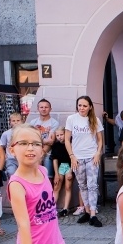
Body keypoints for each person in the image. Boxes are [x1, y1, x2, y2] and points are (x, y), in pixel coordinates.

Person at [65, 95, 104, 227]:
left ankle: (93, 214)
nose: (82, 108)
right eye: (80, 105)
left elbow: (100, 140)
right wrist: (72, 156)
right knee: (82, 185)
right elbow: (66, 140)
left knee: (92, 185)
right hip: (77, 157)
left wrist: (98, 153)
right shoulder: (71, 119)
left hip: (92, 156)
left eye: (84, 106)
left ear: (90, 107)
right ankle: (86, 212)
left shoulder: (95, 120)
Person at [27, 99, 59, 173]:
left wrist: (42, 153)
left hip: (48, 153)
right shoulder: (33, 123)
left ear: (50, 109)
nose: (44, 109)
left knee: (48, 176)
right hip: (34, 153)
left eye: (46, 107)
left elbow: (51, 142)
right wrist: (44, 141)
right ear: (38, 109)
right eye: (41, 107)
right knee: (34, 174)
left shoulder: (54, 123)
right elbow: (30, 138)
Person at [50, 129, 73, 217]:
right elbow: (54, 159)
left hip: (69, 166)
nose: (60, 137)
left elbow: (73, 158)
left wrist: (71, 171)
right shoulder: (56, 145)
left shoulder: (71, 144)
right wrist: (56, 173)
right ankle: (52, 208)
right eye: (57, 135)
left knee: (68, 187)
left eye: (61, 135)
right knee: (56, 187)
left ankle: (65, 208)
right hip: (60, 166)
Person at [0, 112, 23, 178]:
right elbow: (2, 146)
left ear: (22, 121)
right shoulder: (6, 134)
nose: (16, 122)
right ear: (10, 122)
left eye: (18, 120)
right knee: (11, 173)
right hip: (11, 159)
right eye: (13, 121)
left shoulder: (25, 132)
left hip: (23, 158)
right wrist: (4, 156)